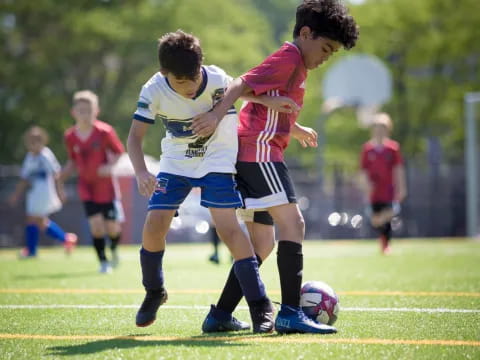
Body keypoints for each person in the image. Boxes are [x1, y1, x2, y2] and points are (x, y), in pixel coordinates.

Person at [194, 0, 359, 334]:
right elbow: (239, 84)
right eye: (325, 48)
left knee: (262, 244)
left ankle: (221, 314)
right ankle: (290, 313)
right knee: (293, 223)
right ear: (306, 33)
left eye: (332, 53)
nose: (326, 57)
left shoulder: (297, 64)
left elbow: (264, 103)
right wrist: (214, 115)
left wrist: (294, 128)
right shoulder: (290, 58)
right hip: (260, 153)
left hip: (256, 151)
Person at [127, 30, 295, 332]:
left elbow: (241, 92)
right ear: (165, 73)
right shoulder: (152, 90)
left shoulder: (215, 78)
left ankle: (260, 306)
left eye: (193, 79)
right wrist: (141, 172)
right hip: (176, 162)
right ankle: (154, 291)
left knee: (229, 229)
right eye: (181, 83)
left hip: (217, 159)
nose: (190, 88)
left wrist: (273, 105)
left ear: (201, 67)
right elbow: (134, 138)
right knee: (155, 224)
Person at [61, 90, 125, 273]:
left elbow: (119, 152)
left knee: (112, 229)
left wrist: (109, 167)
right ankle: (103, 262)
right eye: (80, 111)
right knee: (96, 227)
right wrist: (60, 178)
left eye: (88, 110)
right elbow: (72, 161)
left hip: (106, 187)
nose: (84, 114)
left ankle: (113, 248)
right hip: (86, 186)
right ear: (74, 112)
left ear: (96, 111)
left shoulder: (105, 132)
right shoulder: (70, 137)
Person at [8, 126, 77, 257]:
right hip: (33, 193)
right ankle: (66, 239)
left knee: (32, 219)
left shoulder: (45, 154)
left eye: (37, 141)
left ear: (42, 141)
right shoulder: (29, 157)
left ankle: (31, 250)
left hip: (44, 192)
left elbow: (56, 174)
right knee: (40, 221)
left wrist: (60, 191)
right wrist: (16, 194)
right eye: (31, 141)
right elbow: (24, 178)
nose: (34, 144)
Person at [360, 113, 407, 254]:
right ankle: (383, 242)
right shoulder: (367, 149)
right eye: (377, 127)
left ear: (388, 129)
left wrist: (402, 187)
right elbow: (362, 171)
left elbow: (398, 169)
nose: (379, 130)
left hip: (389, 190)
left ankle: (386, 245)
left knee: (389, 215)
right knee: (376, 220)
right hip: (374, 192)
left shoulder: (393, 148)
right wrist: (365, 185)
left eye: (383, 127)